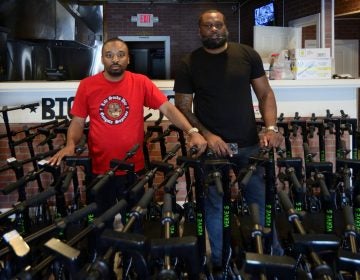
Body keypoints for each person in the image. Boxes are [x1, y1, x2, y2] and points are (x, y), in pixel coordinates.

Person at [48, 37, 207, 228]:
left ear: (128, 59)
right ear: (102, 59)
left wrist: (192, 131)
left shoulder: (140, 82)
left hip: (133, 171)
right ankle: (102, 256)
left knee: (134, 225)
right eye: (109, 55)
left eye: (120, 55)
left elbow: (168, 109)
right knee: (99, 226)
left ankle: (131, 258)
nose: (115, 59)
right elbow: (78, 121)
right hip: (99, 170)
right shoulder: (87, 85)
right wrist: (70, 144)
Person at [173, 9, 284, 274]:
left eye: (218, 25)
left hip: (248, 144)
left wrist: (270, 127)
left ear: (226, 28)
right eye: (208, 25)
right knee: (215, 204)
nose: (214, 29)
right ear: (199, 30)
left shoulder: (247, 55)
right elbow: (182, 106)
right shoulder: (189, 62)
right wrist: (208, 136)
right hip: (213, 150)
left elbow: (266, 94)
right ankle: (222, 263)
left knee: (260, 201)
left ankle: (273, 257)